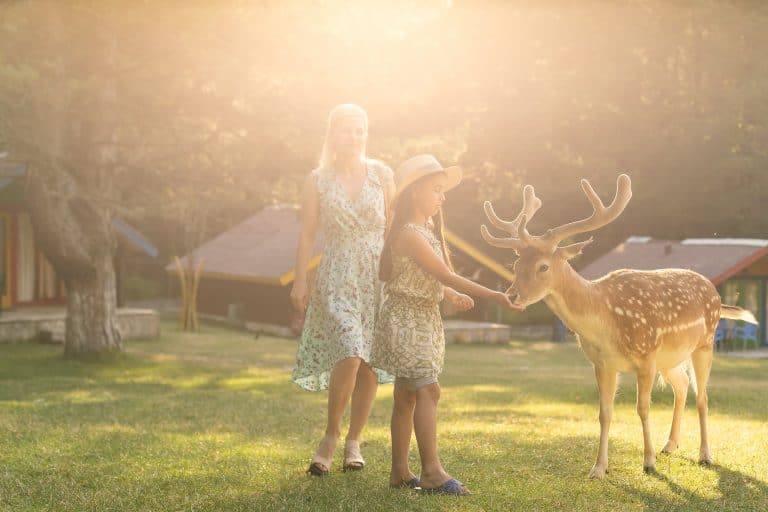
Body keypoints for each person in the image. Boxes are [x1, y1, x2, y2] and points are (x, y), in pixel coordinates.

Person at [371, 154, 521, 495]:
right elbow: (443, 272)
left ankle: (399, 472)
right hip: (408, 321)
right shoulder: (410, 234)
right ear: (414, 194)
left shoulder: (421, 232)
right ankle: (432, 472)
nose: (443, 197)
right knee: (427, 389)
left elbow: (431, 276)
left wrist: (448, 294)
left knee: (407, 395)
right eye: (436, 190)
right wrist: (495, 296)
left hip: (420, 317)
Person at [291, 104, 395, 476]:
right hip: (337, 273)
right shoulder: (318, 179)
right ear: (332, 134)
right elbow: (306, 234)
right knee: (350, 352)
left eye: (359, 130)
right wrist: (300, 279)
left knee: (369, 364)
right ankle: (330, 437)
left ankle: (355, 440)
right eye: (346, 130)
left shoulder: (382, 174)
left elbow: (394, 230)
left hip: (376, 275)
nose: (353, 137)